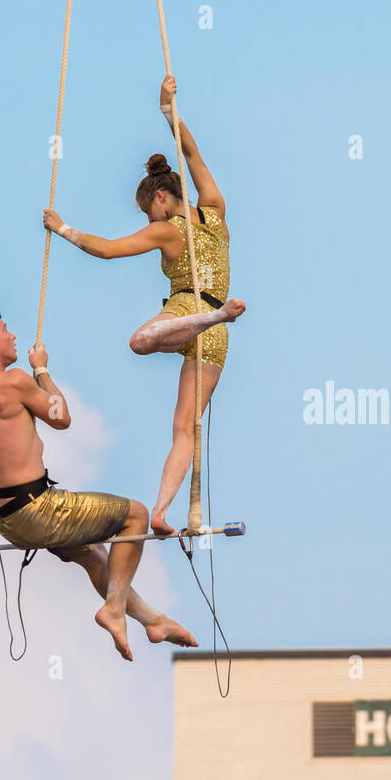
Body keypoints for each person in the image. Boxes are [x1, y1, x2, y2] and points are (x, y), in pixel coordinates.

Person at [42, 74, 245, 537]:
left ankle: (210, 313)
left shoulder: (168, 230)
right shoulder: (214, 209)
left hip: (187, 311)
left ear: (158, 198)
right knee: (185, 431)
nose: (147, 220)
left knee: (138, 342)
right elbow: (192, 156)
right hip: (216, 335)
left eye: (146, 210)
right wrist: (169, 113)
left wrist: (64, 228)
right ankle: (160, 512)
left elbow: (109, 249)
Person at [0, 303, 196, 661]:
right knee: (135, 515)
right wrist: (41, 369)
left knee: (94, 556)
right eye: (5, 330)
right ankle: (113, 609)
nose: (14, 336)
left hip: (8, 521)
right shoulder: (13, 381)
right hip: (38, 509)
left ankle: (152, 620)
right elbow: (61, 418)